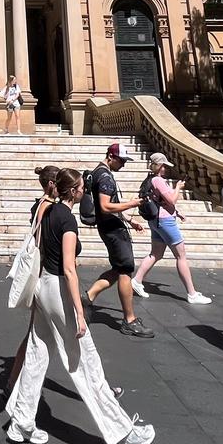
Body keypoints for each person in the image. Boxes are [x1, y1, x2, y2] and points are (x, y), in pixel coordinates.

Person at [5, 168, 156, 444]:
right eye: (81, 188)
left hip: (42, 288)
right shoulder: (67, 219)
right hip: (59, 290)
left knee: (37, 356)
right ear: (73, 191)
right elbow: (70, 270)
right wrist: (79, 311)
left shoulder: (46, 210)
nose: (84, 191)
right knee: (86, 364)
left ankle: (21, 422)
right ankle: (123, 432)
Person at [83, 144, 154, 338]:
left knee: (118, 269)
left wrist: (130, 220)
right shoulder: (105, 177)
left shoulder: (98, 172)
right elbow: (106, 206)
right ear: (110, 157)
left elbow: (108, 203)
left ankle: (87, 297)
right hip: (113, 229)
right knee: (125, 271)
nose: (123, 165)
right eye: (121, 160)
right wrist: (134, 203)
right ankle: (129, 320)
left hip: (109, 226)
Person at [5, 164, 59, 394]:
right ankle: (13, 384)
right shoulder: (47, 207)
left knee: (35, 335)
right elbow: (43, 242)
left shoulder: (41, 204)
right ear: (51, 184)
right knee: (40, 336)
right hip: (46, 277)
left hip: (45, 276)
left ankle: (12, 383)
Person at [130, 153, 211, 305]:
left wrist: (177, 212)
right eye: (165, 166)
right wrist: (178, 187)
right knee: (181, 256)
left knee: (156, 253)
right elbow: (172, 199)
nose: (166, 169)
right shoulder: (158, 180)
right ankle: (192, 294)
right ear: (159, 166)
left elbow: (161, 201)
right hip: (165, 221)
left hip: (156, 220)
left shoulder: (149, 179)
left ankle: (136, 281)